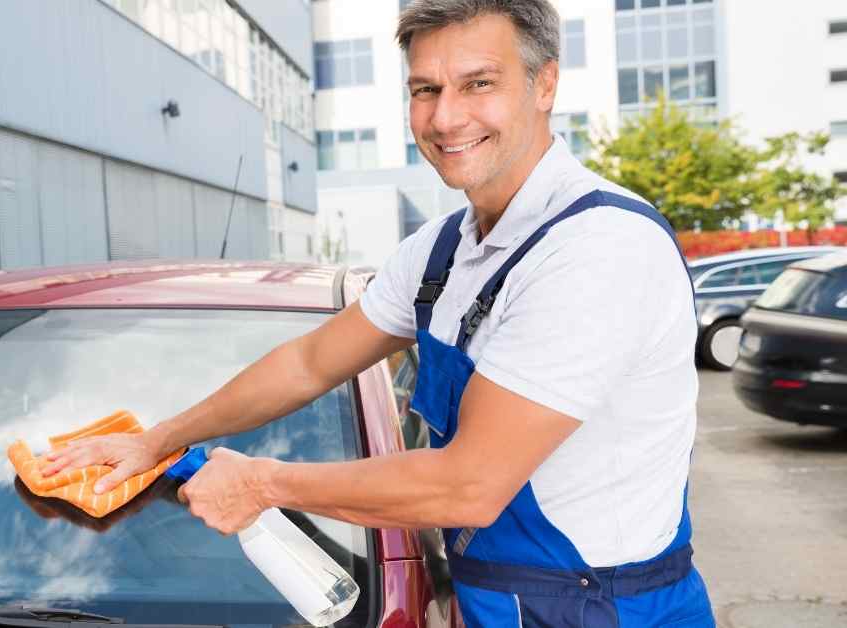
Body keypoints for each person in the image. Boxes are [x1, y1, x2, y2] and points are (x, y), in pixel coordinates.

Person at [40, 0, 715, 625]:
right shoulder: (444, 248)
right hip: (494, 596)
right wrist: (156, 440)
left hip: (603, 610)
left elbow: (470, 484)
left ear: (545, 86)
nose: (446, 117)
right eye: (426, 89)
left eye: (479, 83)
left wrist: (261, 483)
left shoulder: (599, 250)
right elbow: (308, 363)